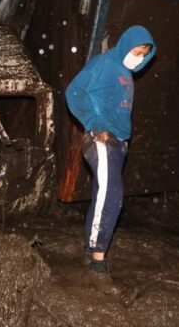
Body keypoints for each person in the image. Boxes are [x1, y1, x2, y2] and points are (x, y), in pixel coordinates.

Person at [65, 25, 156, 293]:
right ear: (126, 44)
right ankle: (97, 262)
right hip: (101, 139)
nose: (138, 57)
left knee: (103, 195)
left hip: (118, 143)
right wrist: (94, 124)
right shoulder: (103, 63)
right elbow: (75, 91)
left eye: (143, 54)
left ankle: (91, 248)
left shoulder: (127, 74)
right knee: (112, 196)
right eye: (136, 51)